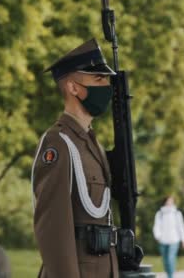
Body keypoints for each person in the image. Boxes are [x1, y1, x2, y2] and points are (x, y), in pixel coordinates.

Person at [31, 39, 120, 277]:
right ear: (73, 88)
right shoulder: (58, 142)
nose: (107, 86)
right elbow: (52, 228)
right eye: (99, 79)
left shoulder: (92, 144)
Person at [153, 196, 184, 278]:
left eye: (172, 201)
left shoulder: (177, 213)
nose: (170, 203)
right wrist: (157, 236)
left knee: (170, 259)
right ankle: (169, 274)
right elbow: (156, 226)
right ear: (165, 202)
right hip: (163, 240)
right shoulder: (160, 213)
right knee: (165, 261)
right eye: (169, 201)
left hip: (174, 240)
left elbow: (181, 227)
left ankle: (171, 276)